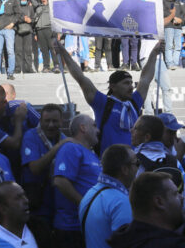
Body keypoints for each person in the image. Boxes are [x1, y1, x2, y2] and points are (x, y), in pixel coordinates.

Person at [55, 38, 161, 155]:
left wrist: (155, 52)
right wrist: (62, 51)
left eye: (131, 83)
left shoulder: (134, 102)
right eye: (126, 83)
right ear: (113, 86)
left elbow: (145, 78)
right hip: (109, 164)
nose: (131, 87)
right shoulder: (102, 103)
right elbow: (81, 78)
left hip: (132, 165)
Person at [107, 172, 185, 248]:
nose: (182, 197)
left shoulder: (125, 238)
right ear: (159, 202)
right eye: (175, 194)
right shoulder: (173, 245)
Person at [52, 114, 101, 247]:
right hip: (71, 228)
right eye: (94, 126)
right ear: (83, 128)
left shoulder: (91, 154)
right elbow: (60, 181)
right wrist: (86, 205)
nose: (98, 130)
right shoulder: (70, 148)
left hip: (86, 225)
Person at [78, 144, 136, 248]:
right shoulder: (120, 202)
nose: (137, 168)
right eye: (136, 163)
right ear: (125, 169)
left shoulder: (90, 193)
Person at [20, 103, 69, 223]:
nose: (51, 125)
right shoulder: (31, 137)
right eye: (47, 121)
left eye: (55, 121)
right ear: (40, 120)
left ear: (61, 122)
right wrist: (57, 148)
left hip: (57, 205)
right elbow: (35, 168)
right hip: (37, 207)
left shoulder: (63, 139)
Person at [0, 181, 54, 248]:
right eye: (18, 198)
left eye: (24, 195)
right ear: (3, 209)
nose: (26, 200)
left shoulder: (40, 228)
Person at [161, 0, 185, 68]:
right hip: (168, 25)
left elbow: (184, 12)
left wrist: (181, 20)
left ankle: (175, 63)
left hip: (178, 26)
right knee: (168, 45)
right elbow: (163, 12)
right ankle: (169, 63)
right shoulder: (162, 1)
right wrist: (173, 17)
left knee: (178, 46)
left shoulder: (177, 1)